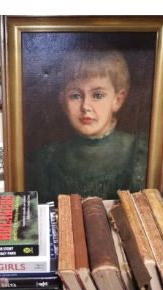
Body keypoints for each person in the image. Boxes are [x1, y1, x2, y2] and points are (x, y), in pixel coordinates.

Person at [26, 49, 148, 203]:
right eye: (75, 96)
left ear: (117, 99)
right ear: (63, 101)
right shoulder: (46, 160)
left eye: (98, 95)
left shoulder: (138, 152)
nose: (85, 106)